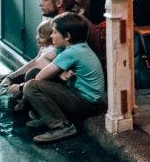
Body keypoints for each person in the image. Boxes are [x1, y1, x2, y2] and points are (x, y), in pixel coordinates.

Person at [12, 13, 107, 144]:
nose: (51, 36)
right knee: (32, 73)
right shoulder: (69, 47)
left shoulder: (72, 52)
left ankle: (61, 127)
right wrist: (60, 73)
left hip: (89, 104)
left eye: (55, 32)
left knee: (31, 86)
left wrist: (20, 87)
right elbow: (40, 61)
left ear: (67, 36)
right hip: (77, 95)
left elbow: (40, 78)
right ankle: (46, 116)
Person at [39, 0, 103, 63]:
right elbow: (39, 60)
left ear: (59, 2)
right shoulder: (63, 22)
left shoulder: (71, 25)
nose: (40, 4)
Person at [0, 22, 57, 102]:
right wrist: (10, 78)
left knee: (30, 75)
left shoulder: (54, 50)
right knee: (4, 79)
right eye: (37, 35)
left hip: (38, 78)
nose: (37, 38)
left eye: (41, 36)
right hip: (31, 75)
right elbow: (33, 62)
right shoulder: (44, 48)